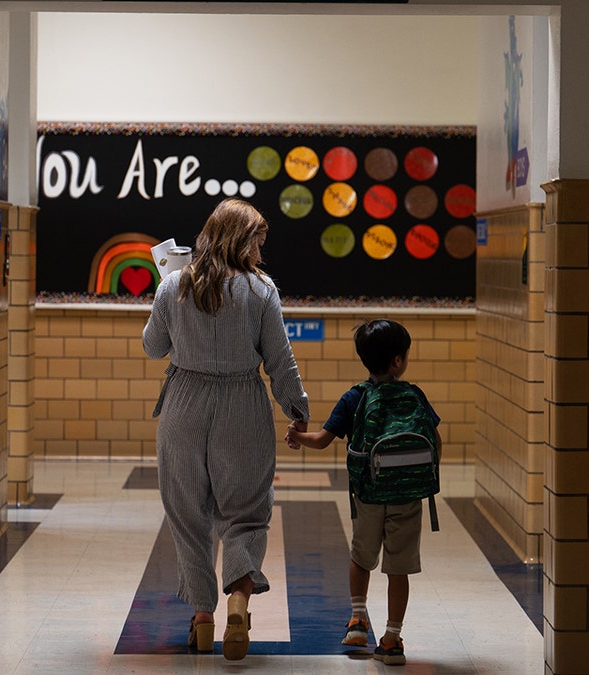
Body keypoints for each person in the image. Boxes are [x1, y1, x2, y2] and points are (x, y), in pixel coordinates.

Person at [143, 198, 309, 661]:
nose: (261, 250)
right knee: (247, 512)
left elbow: (153, 348)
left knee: (188, 514)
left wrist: (165, 295)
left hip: (184, 407)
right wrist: (297, 408)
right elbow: (280, 359)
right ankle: (238, 600)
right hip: (242, 404)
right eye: (258, 239)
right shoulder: (261, 291)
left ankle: (201, 618)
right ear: (239, 239)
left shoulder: (174, 285)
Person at [285, 319, 440, 667]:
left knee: (361, 556)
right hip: (408, 497)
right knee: (398, 568)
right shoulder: (415, 395)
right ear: (398, 361)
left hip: (368, 495)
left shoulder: (355, 396)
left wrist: (297, 437)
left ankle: (358, 620)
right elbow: (435, 442)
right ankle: (392, 639)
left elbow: (324, 439)